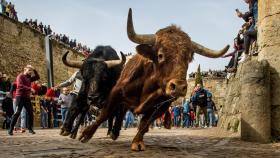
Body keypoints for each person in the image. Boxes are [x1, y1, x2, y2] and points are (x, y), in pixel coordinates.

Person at [8, 65, 40, 135]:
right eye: (29, 70)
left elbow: (38, 77)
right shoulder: (20, 76)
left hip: (27, 98)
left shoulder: (29, 77)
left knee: (31, 113)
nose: (30, 72)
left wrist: (34, 69)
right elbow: (20, 86)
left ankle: (30, 128)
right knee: (17, 113)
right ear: (25, 70)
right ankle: (10, 128)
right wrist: (30, 89)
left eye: (31, 71)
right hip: (19, 97)